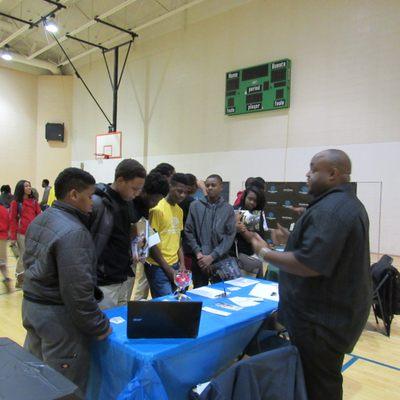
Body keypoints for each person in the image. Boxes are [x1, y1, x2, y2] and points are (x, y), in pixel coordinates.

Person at [250, 149, 372, 400]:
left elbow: (309, 264)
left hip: (321, 322)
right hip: (329, 317)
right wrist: (292, 239)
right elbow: (325, 251)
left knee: (320, 386)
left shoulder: (332, 210)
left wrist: (264, 252)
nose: (307, 173)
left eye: (313, 168)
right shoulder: (343, 204)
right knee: (316, 380)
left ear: (332, 174)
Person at [22, 168, 111, 395]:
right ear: (73, 195)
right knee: (63, 389)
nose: (93, 203)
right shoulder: (74, 232)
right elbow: (77, 293)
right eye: (89, 197)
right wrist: (99, 325)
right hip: (57, 319)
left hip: (32, 309)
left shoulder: (42, 218)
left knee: (35, 379)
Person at [90, 159, 146, 309]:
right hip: (103, 280)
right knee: (105, 324)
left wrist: (135, 247)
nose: (137, 194)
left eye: (139, 189)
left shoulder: (127, 201)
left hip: (123, 277)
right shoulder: (98, 202)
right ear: (120, 180)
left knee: (120, 322)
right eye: (134, 189)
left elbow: (126, 232)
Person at [185, 174, 236, 288]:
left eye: (213, 185)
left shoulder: (228, 209)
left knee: (220, 293)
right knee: (199, 293)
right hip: (199, 261)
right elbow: (188, 231)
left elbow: (229, 236)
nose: (210, 188)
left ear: (221, 187)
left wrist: (212, 256)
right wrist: (198, 253)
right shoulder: (194, 206)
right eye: (207, 185)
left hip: (220, 260)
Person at [144, 173, 188, 298]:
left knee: (179, 300)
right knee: (166, 305)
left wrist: (182, 264)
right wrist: (168, 270)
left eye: (185, 192)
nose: (182, 195)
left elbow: (178, 240)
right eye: (179, 191)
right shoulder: (157, 208)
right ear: (170, 187)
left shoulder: (179, 210)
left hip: (175, 265)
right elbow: (151, 243)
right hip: (158, 266)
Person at [130, 172, 170, 301]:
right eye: (154, 200)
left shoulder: (146, 207)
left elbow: (146, 231)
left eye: (158, 201)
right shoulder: (130, 204)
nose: (155, 204)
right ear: (143, 191)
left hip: (137, 257)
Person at [9, 180, 41, 287]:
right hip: (21, 234)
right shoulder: (16, 203)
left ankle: (30, 278)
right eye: (26, 186)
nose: (29, 188)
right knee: (23, 256)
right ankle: (20, 280)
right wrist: (13, 237)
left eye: (29, 186)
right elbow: (12, 220)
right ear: (20, 188)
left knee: (34, 257)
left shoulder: (34, 202)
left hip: (34, 234)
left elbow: (39, 217)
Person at [233, 186, 267, 277]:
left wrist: (239, 227)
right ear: (245, 197)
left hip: (250, 256)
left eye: (255, 201)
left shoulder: (257, 214)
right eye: (250, 199)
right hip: (233, 255)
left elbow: (252, 238)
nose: (252, 202)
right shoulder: (234, 209)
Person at [0, 198, 12, 292]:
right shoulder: (4, 209)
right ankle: (7, 280)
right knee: (2, 262)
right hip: (3, 238)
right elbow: (9, 222)